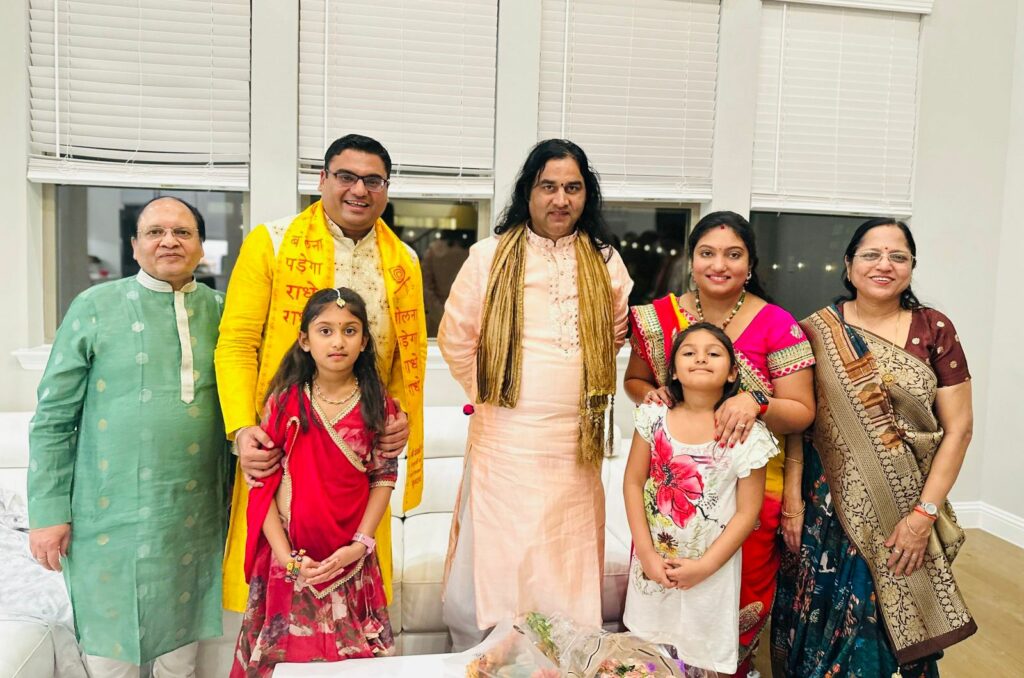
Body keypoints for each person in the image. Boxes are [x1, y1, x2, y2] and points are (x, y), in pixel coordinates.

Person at [215, 134, 427, 614]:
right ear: (322, 179)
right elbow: (236, 343)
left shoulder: (404, 261)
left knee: (354, 589)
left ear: (386, 189)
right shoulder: (271, 243)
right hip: (284, 444)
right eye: (346, 176)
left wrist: (400, 418)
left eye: (373, 180)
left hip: (360, 448)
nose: (359, 190)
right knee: (281, 596)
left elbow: (402, 357)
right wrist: (242, 429)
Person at [438, 139, 634, 649]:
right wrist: (496, 395)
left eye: (573, 188)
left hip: (574, 441)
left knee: (564, 555)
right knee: (504, 555)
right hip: (505, 439)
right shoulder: (488, 257)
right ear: (528, 191)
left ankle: (559, 658)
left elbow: (614, 333)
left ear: (586, 195)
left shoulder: (606, 262)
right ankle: (495, 657)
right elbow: (457, 339)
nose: (560, 200)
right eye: (548, 186)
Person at [28, 196, 228, 677]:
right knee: (110, 654)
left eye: (182, 232)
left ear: (201, 247)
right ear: (135, 246)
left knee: (181, 655)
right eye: (155, 232)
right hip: (106, 514)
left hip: (195, 514)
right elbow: (54, 417)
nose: (169, 241)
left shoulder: (223, 311)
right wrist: (48, 514)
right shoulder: (94, 306)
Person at [771, 219, 976, 677]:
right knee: (825, 622)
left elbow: (959, 429)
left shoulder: (934, 328)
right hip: (828, 507)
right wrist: (792, 502)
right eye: (871, 254)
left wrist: (923, 516)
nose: (884, 265)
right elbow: (798, 426)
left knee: (890, 626)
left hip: (905, 507)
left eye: (898, 256)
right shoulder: (815, 331)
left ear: (911, 267)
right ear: (848, 265)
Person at [623, 210, 815, 674]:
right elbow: (636, 381)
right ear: (691, 260)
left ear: (750, 264)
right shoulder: (659, 317)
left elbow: (802, 412)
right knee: (663, 607)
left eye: (733, 255)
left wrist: (756, 402)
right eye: (707, 253)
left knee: (733, 605)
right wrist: (657, 396)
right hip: (671, 495)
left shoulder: (777, 324)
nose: (719, 265)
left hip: (748, 489)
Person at [232, 288, 397, 676]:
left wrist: (359, 545)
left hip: (351, 560)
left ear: (364, 341)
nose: (338, 341)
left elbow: (384, 476)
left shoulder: (378, 404)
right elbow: (262, 486)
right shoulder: (286, 403)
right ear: (304, 341)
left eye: (350, 330)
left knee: (353, 667)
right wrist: (287, 559)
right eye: (325, 331)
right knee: (285, 663)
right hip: (290, 562)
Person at [623, 323, 778, 674]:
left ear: (733, 372)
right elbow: (632, 483)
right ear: (674, 371)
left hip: (710, 573)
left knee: (702, 658)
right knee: (648, 658)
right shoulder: (653, 417)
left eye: (714, 353)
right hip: (653, 565)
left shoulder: (748, 435)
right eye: (689, 352)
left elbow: (747, 513)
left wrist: (705, 567)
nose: (701, 358)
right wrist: (646, 554)